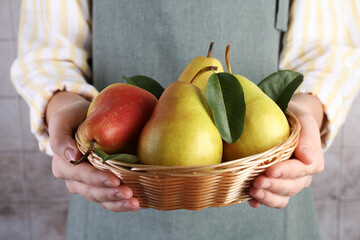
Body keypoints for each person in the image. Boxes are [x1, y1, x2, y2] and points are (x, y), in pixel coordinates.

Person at [10, 0, 360, 239]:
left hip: (266, 195)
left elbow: (327, 49)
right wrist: (63, 107)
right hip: (111, 187)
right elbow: (48, 52)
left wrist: (305, 115)